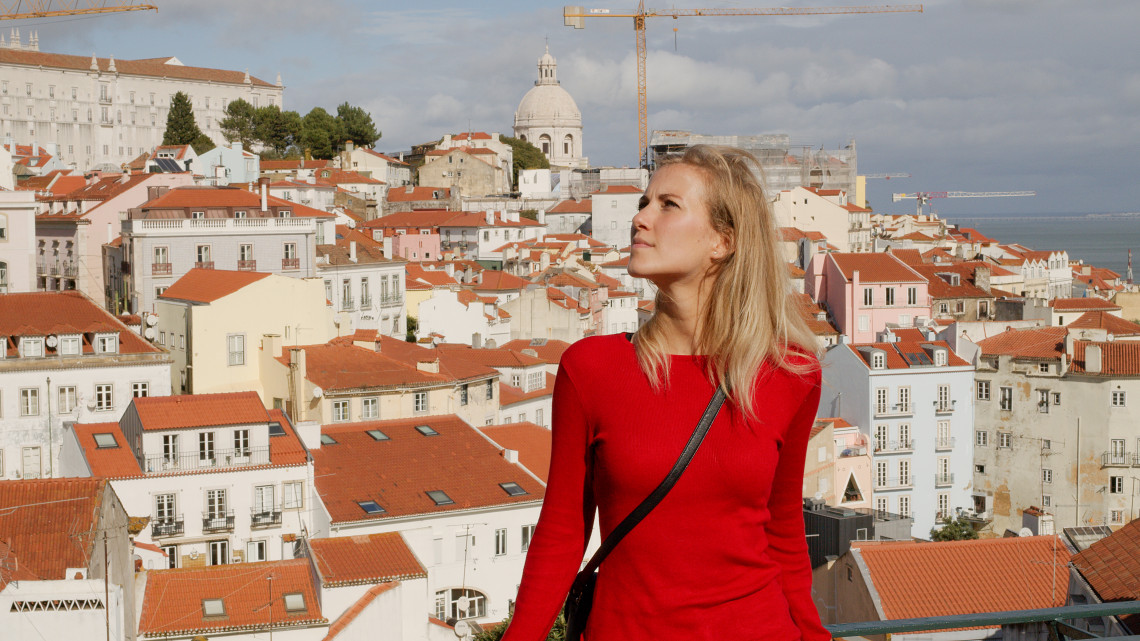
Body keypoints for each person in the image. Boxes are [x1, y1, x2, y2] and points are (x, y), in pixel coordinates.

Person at [500, 145, 829, 641]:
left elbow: (783, 532)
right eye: (643, 202)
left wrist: (813, 634)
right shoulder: (591, 370)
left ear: (723, 240)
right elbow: (562, 533)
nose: (640, 218)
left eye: (667, 205)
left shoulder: (789, 373)